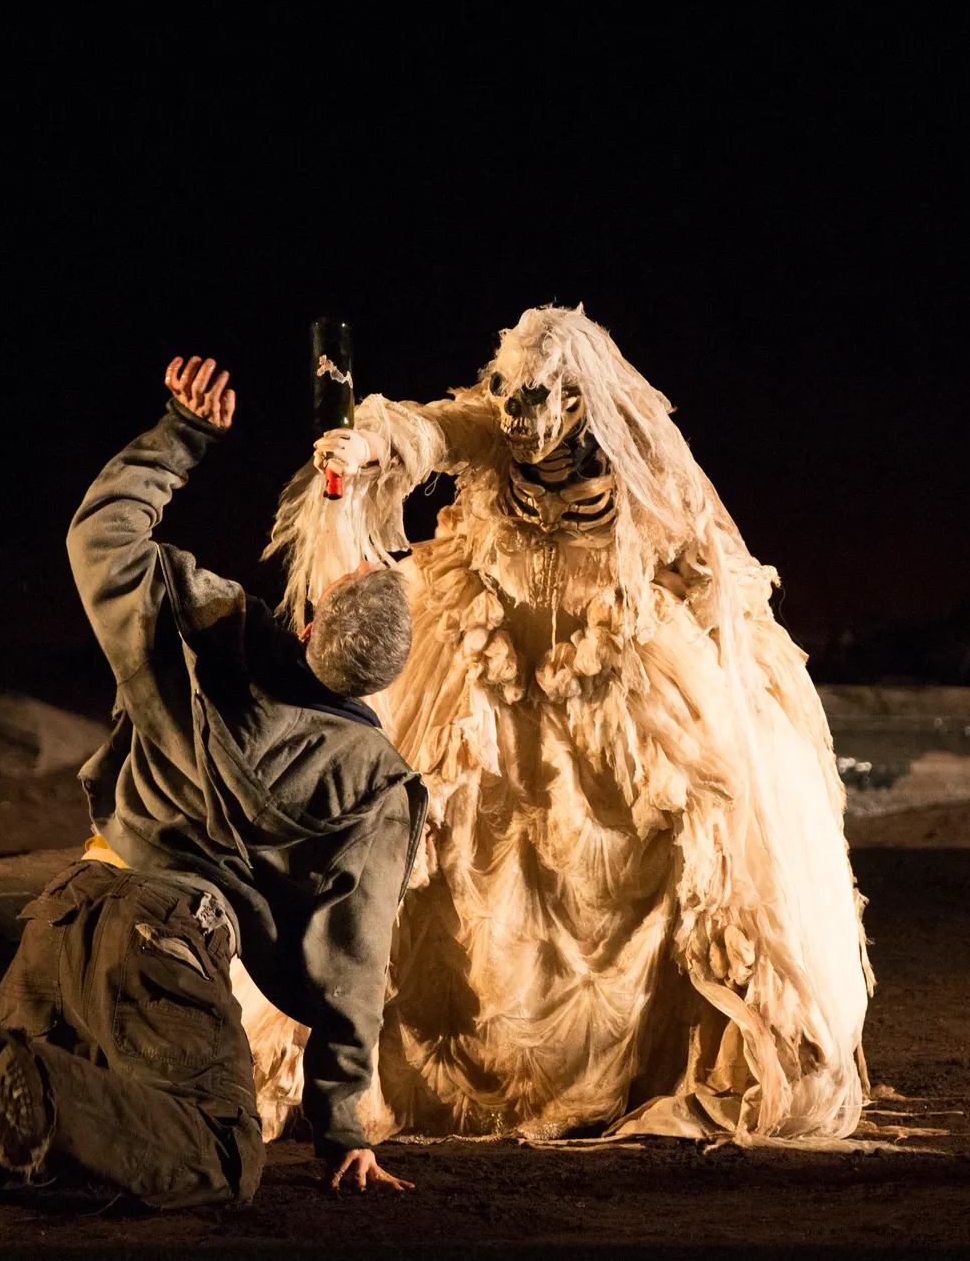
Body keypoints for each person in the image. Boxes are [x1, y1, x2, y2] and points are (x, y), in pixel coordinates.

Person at [0, 353, 426, 1204]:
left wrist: (181, 437)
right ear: (378, 678)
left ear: (316, 616)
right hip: (162, 946)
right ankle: (24, 1093)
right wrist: (340, 1125)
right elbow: (354, 960)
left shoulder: (208, 625)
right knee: (221, 1155)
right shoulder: (374, 782)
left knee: (34, 1142)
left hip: (65, 911)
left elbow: (98, 536)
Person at [256, 305, 870, 1146]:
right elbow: (438, 430)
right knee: (443, 826)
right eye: (506, 392)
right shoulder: (499, 424)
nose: (514, 414)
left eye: (534, 398)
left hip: (612, 672)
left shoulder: (643, 455)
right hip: (490, 660)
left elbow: (707, 555)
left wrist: (734, 672)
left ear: (578, 402)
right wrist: (368, 443)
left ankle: (658, 1065)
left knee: (673, 843)